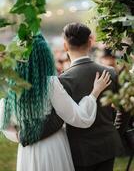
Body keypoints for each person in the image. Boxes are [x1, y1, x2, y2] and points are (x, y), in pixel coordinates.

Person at [0, 34, 111, 171]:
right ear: (44, 57)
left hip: (28, 152)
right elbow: (79, 117)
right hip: (53, 147)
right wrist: (95, 92)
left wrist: (23, 136)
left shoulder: (12, 87)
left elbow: (5, 124)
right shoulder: (50, 83)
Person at [34, 23, 124, 171]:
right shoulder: (110, 72)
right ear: (90, 42)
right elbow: (124, 108)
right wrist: (116, 130)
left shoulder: (62, 80)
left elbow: (57, 120)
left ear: (65, 46)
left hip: (79, 150)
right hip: (108, 144)